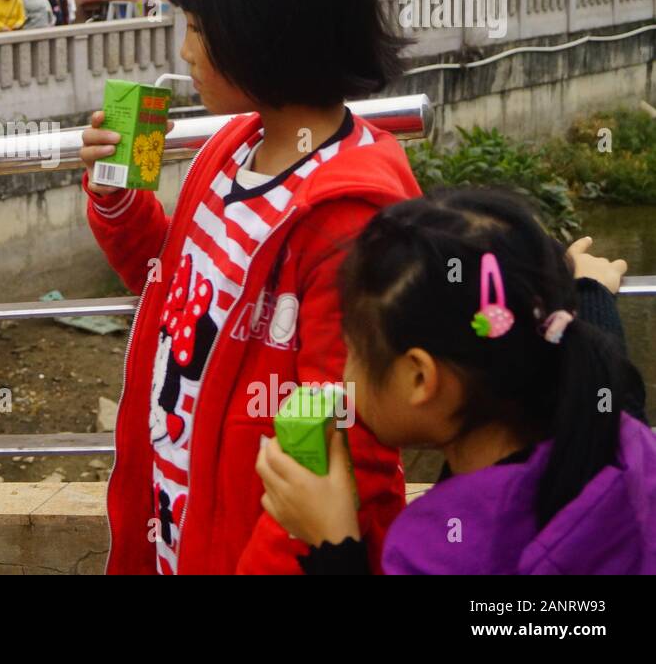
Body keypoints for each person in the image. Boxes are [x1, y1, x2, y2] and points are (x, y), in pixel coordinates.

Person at [79, 0, 415, 575]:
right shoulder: (231, 148)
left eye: (200, 28)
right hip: (178, 535)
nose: (185, 49)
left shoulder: (347, 222)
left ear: (267, 31)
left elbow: (340, 458)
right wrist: (118, 196)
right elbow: (175, 291)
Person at [257, 190, 654, 574]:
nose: (344, 376)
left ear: (419, 377)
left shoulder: (439, 549)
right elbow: (611, 371)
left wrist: (333, 543)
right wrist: (591, 291)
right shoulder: (621, 436)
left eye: (353, 353)